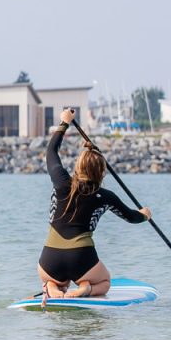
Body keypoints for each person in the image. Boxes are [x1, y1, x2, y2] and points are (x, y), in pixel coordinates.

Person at [38, 108, 151, 299]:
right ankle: (86, 288)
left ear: (78, 166)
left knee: (54, 279)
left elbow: (51, 152)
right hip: (81, 259)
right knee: (104, 282)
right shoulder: (105, 196)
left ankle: (52, 287)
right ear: (101, 173)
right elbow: (131, 217)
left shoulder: (61, 182)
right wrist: (144, 215)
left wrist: (64, 123)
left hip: (49, 259)